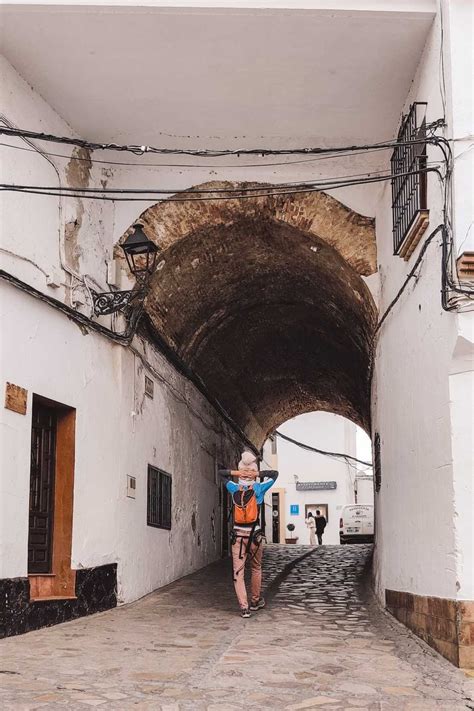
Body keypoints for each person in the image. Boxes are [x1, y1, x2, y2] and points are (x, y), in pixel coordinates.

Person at [219, 451, 278, 619]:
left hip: (238, 534)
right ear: (253, 470)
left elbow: (221, 473)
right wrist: (256, 474)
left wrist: (237, 474)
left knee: (238, 572)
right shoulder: (259, 488)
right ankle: (255, 600)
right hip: (255, 534)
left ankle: (244, 608)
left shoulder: (233, 487)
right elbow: (275, 474)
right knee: (256, 567)